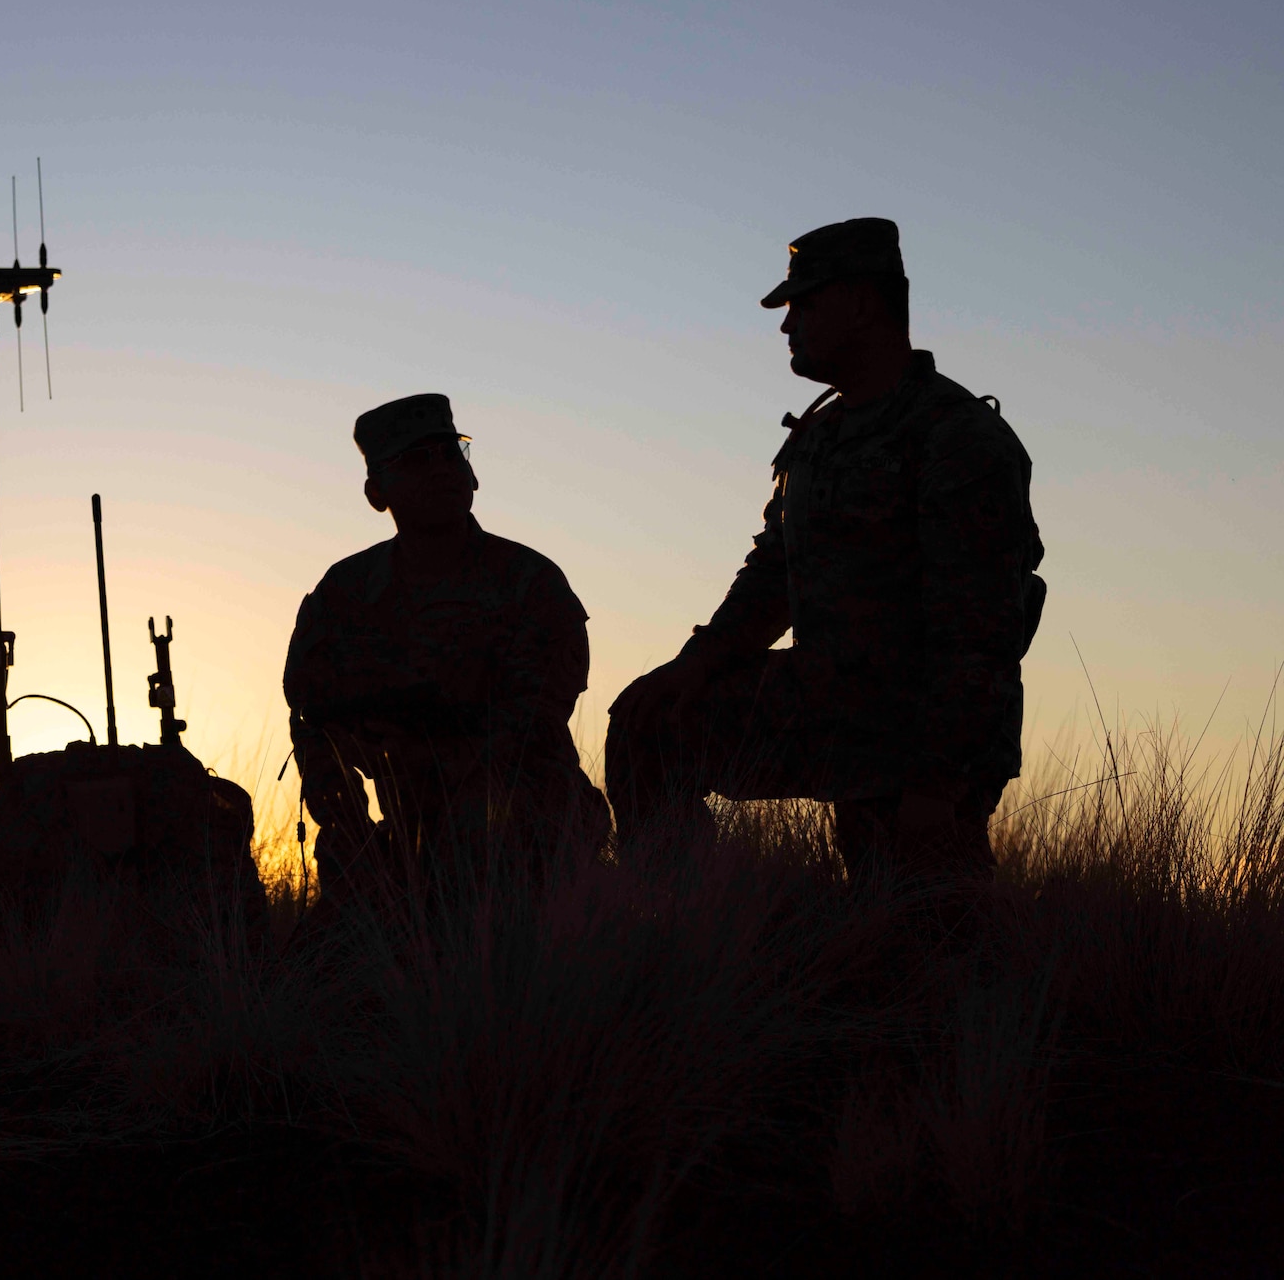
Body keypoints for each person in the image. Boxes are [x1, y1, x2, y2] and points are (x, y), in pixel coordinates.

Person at [605, 219, 1044, 880]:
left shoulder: (957, 436)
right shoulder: (820, 436)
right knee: (649, 722)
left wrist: (937, 785)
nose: (788, 325)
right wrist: (693, 668)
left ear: (864, 303)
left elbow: (977, 634)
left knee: (920, 914)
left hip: (926, 723)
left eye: (804, 304)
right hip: (831, 699)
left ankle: (1005, 967)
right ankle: (680, 929)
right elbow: (771, 575)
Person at [284, 394, 608, 906]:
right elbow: (310, 718)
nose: (440, 471)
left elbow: (527, 729)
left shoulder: (529, 583)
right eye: (416, 460)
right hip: (405, 836)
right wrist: (347, 825)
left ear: (472, 475)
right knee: (339, 943)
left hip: (526, 826)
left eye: (450, 454)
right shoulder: (344, 594)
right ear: (376, 493)